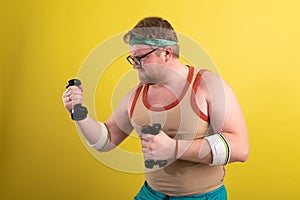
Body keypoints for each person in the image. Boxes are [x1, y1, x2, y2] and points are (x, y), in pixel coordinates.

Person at [62, 16, 249, 200]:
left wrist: (174, 148)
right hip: (151, 194)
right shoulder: (136, 95)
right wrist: (78, 113)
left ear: (166, 53)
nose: (134, 66)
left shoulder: (207, 85)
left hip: (202, 196)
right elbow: (106, 140)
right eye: (132, 58)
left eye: (140, 58)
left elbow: (240, 149)